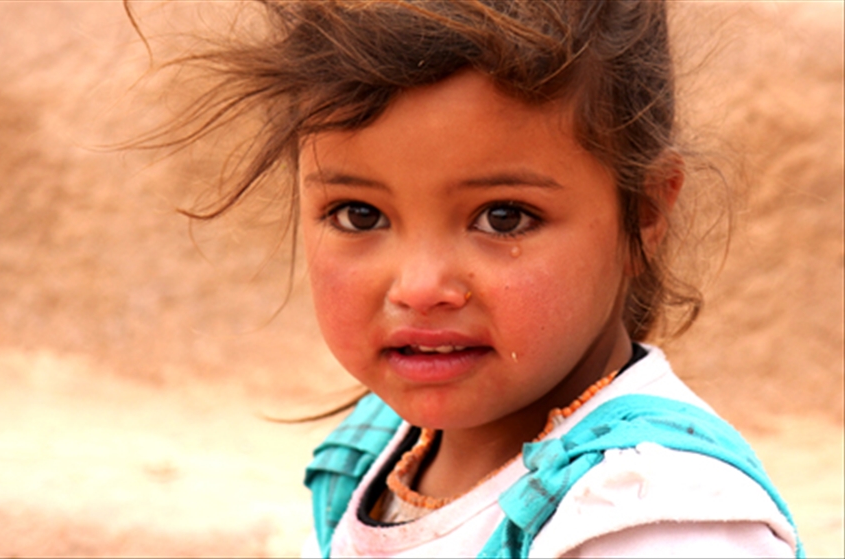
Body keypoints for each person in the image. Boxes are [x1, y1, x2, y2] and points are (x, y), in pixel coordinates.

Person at [130, 1, 803, 556]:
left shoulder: (654, 514)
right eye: (359, 214)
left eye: (504, 218)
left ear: (646, 210)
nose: (421, 287)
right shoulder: (375, 452)